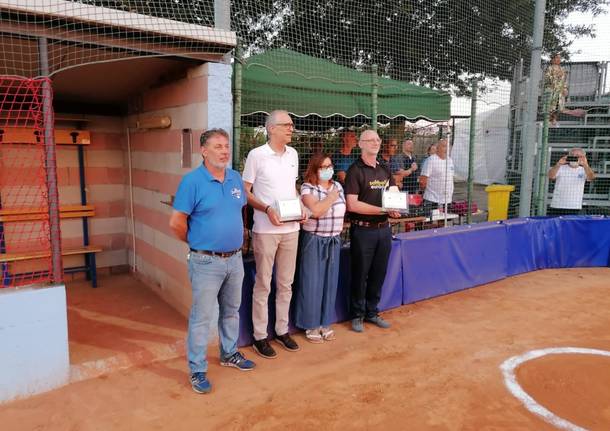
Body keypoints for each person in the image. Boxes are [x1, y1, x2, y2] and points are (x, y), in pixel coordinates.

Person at [169, 128, 255, 394]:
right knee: (201, 318)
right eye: (217, 146)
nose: (224, 151)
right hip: (205, 262)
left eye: (226, 146)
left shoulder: (235, 178)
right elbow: (176, 223)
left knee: (231, 311)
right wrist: (197, 244)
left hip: (235, 259)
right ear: (204, 151)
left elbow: (239, 212)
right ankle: (197, 370)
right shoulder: (192, 182)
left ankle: (229, 353)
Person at [242, 110, 305, 359]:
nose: (291, 128)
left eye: (292, 124)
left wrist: (302, 207)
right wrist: (267, 209)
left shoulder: (294, 154)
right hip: (266, 230)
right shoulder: (256, 155)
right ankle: (259, 336)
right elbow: (246, 192)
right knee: (263, 283)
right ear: (271, 129)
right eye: (286, 125)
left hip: (292, 229)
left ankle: (281, 330)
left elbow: (292, 189)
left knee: (286, 284)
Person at [344, 129, 401, 333]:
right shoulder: (355, 170)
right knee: (360, 273)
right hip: (363, 230)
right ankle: (357, 315)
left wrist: (396, 208)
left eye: (377, 139)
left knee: (379, 272)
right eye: (370, 140)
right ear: (361, 144)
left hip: (384, 230)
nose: (375, 142)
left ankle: (372, 312)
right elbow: (352, 204)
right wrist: (383, 210)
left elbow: (393, 193)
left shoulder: (384, 168)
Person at [296, 153, 346, 343]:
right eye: (323, 167)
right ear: (315, 169)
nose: (328, 170)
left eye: (330, 166)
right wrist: (331, 197)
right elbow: (315, 212)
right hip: (314, 239)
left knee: (329, 282)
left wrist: (327, 201)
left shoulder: (338, 186)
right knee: (311, 282)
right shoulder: (308, 188)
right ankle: (310, 324)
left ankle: (325, 323)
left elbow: (341, 208)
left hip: (334, 239)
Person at [547, 148, 595, 216]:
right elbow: (550, 176)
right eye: (572, 155)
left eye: (578, 156)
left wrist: (585, 165)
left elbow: (591, 177)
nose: (574, 157)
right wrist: (558, 164)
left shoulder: (584, 170)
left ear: (583, 157)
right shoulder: (560, 167)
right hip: (557, 204)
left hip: (574, 206)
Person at [544, 54, 586, 125]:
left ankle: (554, 119)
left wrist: (565, 88)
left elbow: (565, 81)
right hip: (552, 90)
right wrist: (556, 78)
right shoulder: (549, 68)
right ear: (553, 59)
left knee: (559, 106)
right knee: (551, 106)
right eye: (557, 58)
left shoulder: (562, 69)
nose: (558, 59)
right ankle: (549, 120)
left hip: (560, 91)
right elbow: (547, 79)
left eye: (559, 58)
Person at [419, 139, 454, 215]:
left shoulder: (450, 160)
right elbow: (423, 180)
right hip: (432, 198)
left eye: (448, 147)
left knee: (443, 221)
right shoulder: (430, 160)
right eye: (444, 146)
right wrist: (424, 191)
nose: (447, 149)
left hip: (447, 199)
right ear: (437, 148)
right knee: (429, 221)